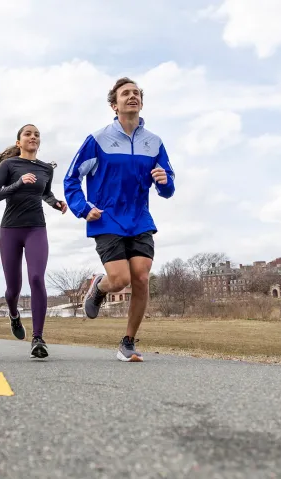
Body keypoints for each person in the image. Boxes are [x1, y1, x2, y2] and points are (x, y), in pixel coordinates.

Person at [63, 77, 175, 362]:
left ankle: (128, 342)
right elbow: (72, 178)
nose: (132, 96)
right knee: (120, 278)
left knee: (140, 277)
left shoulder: (154, 142)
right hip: (107, 217)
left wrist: (164, 181)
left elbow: (167, 186)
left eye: (136, 93)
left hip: (139, 219)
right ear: (114, 105)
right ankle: (100, 286)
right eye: (125, 93)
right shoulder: (97, 140)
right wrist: (83, 208)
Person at [0, 124, 67, 359]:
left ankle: (38, 338)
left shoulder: (46, 169)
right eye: (28, 134)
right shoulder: (9, 165)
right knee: (13, 289)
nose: (33, 137)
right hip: (10, 230)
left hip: (36, 228)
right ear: (19, 142)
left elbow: (45, 193)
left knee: (37, 278)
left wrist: (56, 202)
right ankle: (13, 314)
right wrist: (18, 184)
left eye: (37, 134)